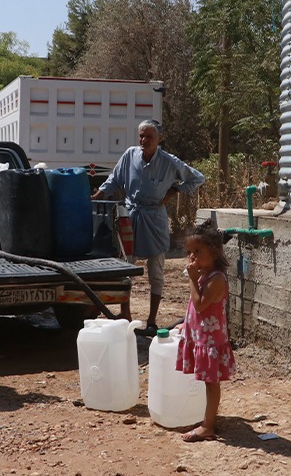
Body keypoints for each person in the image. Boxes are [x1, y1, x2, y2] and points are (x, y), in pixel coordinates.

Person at [91, 119, 204, 334]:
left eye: (149, 136)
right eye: (141, 136)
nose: (143, 140)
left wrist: (174, 191)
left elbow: (197, 178)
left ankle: (152, 320)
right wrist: (96, 197)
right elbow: (114, 180)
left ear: (159, 139)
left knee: (156, 271)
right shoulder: (130, 156)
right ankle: (126, 313)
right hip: (131, 216)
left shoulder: (170, 162)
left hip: (155, 219)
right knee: (126, 268)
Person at [175, 220, 234, 442]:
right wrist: (187, 324)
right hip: (202, 337)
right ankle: (206, 419)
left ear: (215, 251)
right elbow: (195, 309)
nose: (192, 257)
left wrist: (191, 279)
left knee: (211, 383)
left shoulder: (217, 278)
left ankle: (208, 426)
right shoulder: (203, 274)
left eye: (198, 252)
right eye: (190, 252)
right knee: (207, 382)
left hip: (211, 342)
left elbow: (200, 303)